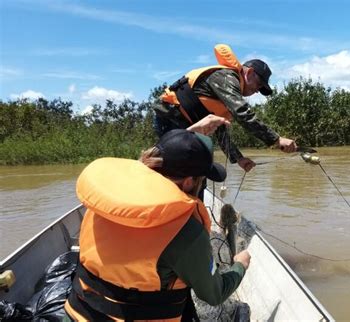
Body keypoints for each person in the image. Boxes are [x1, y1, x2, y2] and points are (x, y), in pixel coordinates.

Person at [64, 124, 251, 321]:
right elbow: (213, 294)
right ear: (189, 182)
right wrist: (240, 266)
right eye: (201, 179)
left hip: (77, 313)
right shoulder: (187, 231)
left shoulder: (104, 203)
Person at [153, 44, 298, 173]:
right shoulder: (226, 77)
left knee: (196, 171)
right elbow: (242, 113)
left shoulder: (229, 94)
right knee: (176, 168)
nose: (257, 90)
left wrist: (238, 159)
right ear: (250, 73)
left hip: (186, 125)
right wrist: (276, 140)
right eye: (259, 84)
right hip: (170, 118)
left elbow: (220, 130)